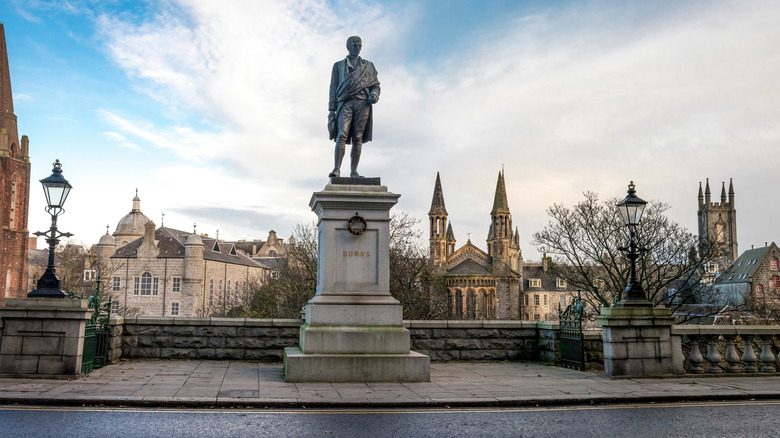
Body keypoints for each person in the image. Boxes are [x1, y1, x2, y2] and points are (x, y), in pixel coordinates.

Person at [328, 36, 380, 178]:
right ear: (349, 46)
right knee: (342, 134)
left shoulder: (368, 66)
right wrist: (331, 110)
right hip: (345, 102)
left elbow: (376, 85)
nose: (357, 48)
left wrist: (374, 95)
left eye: (359, 46)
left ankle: (354, 171)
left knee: (358, 136)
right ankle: (336, 169)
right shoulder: (338, 66)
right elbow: (333, 88)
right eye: (355, 45)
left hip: (363, 103)